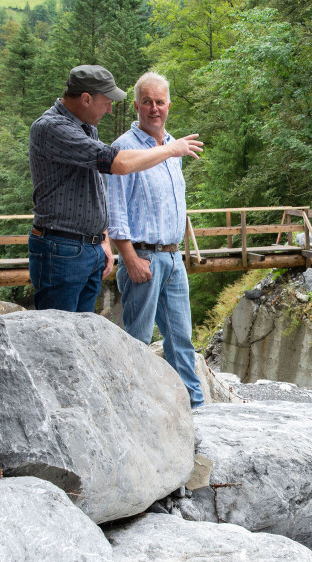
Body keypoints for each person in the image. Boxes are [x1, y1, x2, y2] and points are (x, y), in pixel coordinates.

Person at [28, 64, 203, 312]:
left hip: (86, 248)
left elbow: (97, 187)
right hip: (61, 250)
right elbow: (117, 163)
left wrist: (101, 239)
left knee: (84, 334)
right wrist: (170, 150)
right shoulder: (52, 128)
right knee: (60, 337)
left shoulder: (86, 127)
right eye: (107, 101)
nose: (110, 108)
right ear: (86, 99)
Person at [107, 72, 205, 408]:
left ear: (168, 105)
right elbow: (115, 208)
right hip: (143, 258)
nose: (153, 108)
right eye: (146, 102)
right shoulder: (124, 148)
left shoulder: (174, 146)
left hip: (174, 258)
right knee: (138, 340)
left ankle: (195, 409)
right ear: (136, 105)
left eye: (159, 102)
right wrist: (129, 258)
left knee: (181, 339)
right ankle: (135, 409)